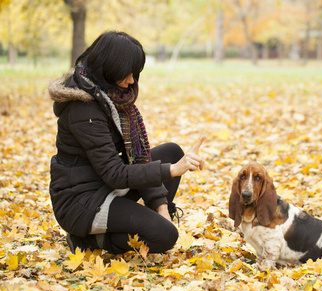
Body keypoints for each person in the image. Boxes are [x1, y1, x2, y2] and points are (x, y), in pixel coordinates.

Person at [47, 30, 205, 254]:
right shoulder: (83, 108)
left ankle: (146, 222)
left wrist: (162, 210)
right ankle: (89, 241)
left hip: (104, 186)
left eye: (135, 73)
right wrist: (172, 170)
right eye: (127, 73)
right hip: (82, 203)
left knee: (171, 151)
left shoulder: (110, 95)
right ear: (108, 68)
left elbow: (136, 160)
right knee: (165, 236)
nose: (132, 80)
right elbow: (116, 173)